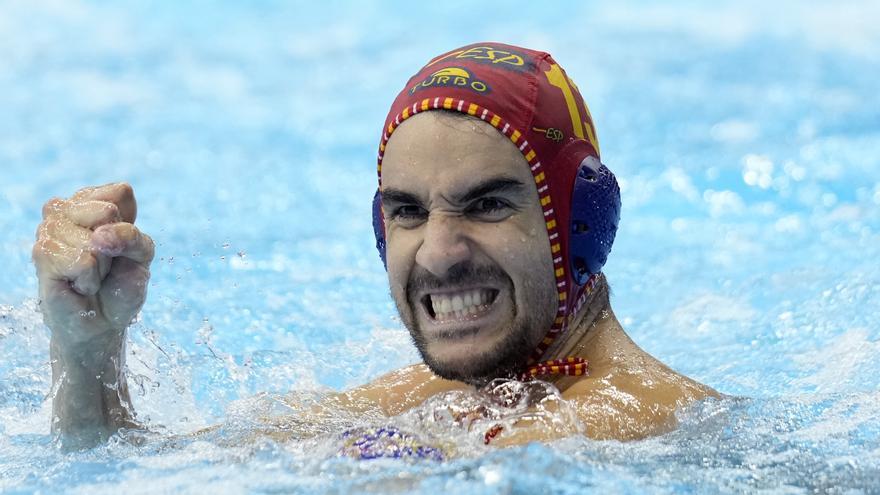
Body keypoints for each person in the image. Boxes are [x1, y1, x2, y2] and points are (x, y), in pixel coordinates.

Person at [32, 42, 717, 451]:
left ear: (582, 222)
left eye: (485, 203)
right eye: (408, 211)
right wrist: (86, 348)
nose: (440, 252)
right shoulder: (426, 398)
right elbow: (132, 464)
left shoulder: (641, 414)